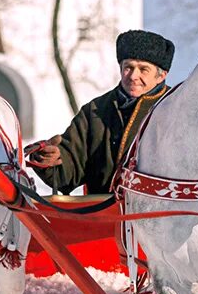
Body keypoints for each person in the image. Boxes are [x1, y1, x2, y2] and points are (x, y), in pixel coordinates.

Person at [30, 29, 175, 195]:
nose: (133, 76)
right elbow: (71, 167)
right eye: (128, 67)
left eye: (143, 69)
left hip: (165, 215)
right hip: (103, 214)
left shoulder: (176, 108)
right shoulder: (95, 111)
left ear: (161, 75)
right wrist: (51, 159)